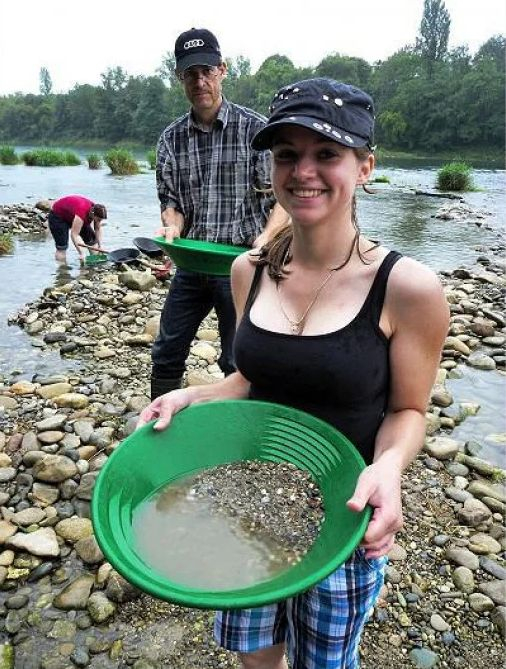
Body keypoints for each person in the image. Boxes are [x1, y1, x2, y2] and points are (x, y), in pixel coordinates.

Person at [138, 78, 449, 668]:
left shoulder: (407, 289)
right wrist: (193, 396)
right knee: (257, 658)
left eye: (327, 154)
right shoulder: (246, 272)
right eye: (287, 155)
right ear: (272, 168)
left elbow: (408, 412)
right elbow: (251, 381)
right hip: (249, 504)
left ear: (365, 168)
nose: (303, 171)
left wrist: (387, 470)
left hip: (344, 518)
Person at [151, 27, 288, 400]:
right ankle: (159, 421)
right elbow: (172, 204)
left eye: (207, 71)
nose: (200, 81)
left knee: (238, 359)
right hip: (192, 262)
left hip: (240, 264)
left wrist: (267, 238)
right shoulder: (170, 139)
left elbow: (284, 200)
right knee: (166, 352)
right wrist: (172, 230)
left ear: (222, 70)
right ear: (180, 77)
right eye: (190, 74)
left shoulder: (257, 130)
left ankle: (239, 433)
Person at [47, 194, 107, 263]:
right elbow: (74, 234)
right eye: (98, 219)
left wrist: (100, 246)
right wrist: (81, 253)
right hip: (58, 217)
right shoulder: (82, 212)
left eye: (101, 220)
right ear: (93, 214)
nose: (99, 221)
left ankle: (95, 263)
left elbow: (97, 229)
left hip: (73, 215)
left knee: (92, 241)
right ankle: (62, 270)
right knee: (62, 247)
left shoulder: (96, 210)